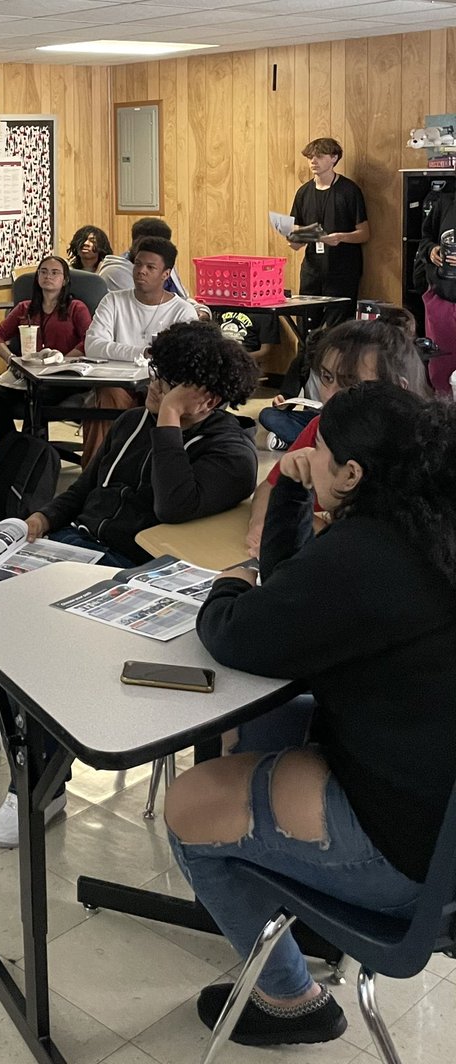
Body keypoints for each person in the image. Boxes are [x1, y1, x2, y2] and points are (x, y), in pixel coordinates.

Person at [165, 381, 456, 1048]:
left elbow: (244, 634)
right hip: (439, 820)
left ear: (353, 473)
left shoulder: (371, 553)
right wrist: (297, 493)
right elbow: (301, 600)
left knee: (191, 806)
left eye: (316, 453)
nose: (305, 457)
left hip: (412, 865)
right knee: (269, 724)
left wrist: (230, 580)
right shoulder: (429, 526)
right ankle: (294, 907)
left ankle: (289, 996)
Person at [0, 322, 259, 847]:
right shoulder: (132, 422)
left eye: (163, 384)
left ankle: (42, 786)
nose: (148, 389)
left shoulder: (230, 452)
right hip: (71, 542)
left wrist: (167, 421)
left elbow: (173, 505)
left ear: (202, 398)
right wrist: (34, 524)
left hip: (130, 567)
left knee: (46, 630)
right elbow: (85, 488)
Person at [244, 319, 414, 557]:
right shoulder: (321, 426)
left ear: (397, 388)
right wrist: (260, 526)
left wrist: (309, 525)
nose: (330, 394)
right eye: (326, 377)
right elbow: (270, 487)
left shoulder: (413, 454)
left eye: (350, 382)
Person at [80, 237, 200, 464]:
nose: (141, 271)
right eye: (137, 264)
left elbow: (179, 361)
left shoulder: (182, 312)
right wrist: (143, 352)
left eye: (150, 267)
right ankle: (97, 473)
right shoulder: (113, 301)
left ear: (166, 274)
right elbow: (93, 346)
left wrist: (117, 350)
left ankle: (126, 467)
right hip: (115, 382)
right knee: (108, 394)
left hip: (160, 386)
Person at [0, 254, 92, 442]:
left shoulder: (76, 307)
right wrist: (12, 360)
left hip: (63, 376)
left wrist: (62, 362)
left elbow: (88, 341)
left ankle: (32, 456)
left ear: (65, 279)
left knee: (35, 397)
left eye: (54, 272)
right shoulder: (24, 308)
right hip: (28, 374)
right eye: (43, 272)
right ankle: (9, 449)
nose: (48, 276)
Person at [288, 137, 369, 329]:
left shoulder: (349, 191)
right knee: (306, 326)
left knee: (337, 328)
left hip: (342, 270)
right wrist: (295, 240)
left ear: (334, 158)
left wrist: (341, 237)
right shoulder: (303, 192)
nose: (313, 162)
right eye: (310, 157)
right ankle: (306, 358)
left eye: (319, 156)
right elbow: (297, 235)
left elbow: (364, 234)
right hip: (312, 270)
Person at [98, 217, 208, 316]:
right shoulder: (115, 272)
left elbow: (181, 297)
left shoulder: (163, 263)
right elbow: (145, 309)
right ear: (136, 243)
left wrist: (200, 310)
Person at [257, 326, 327, 451]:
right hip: (310, 416)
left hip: (333, 419)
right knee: (267, 414)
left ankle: (291, 441)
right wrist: (282, 401)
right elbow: (288, 395)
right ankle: (315, 444)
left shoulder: (343, 369)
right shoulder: (303, 362)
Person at [417, 188, 456, 395]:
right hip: (443, 298)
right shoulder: (444, 202)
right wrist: (431, 251)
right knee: (441, 372)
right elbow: (425, 239)